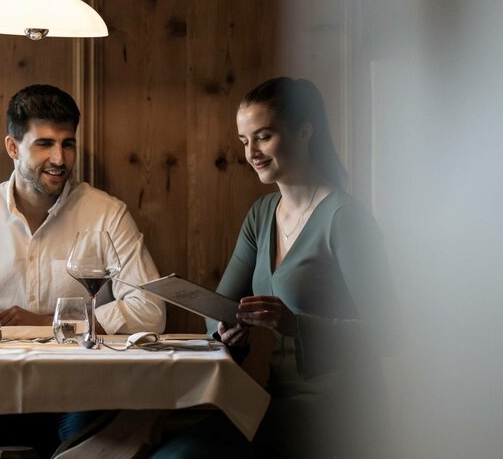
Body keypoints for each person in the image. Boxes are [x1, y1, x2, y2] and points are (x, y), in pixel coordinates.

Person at [0, 83, 166, 455]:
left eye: (68, 143)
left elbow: (150, 310)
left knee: (121, 428)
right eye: (44, 143)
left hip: (79, 394)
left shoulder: (107, 214)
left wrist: (54, 323)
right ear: (13, 147)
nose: (60, 158)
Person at [152, 77, 393, 459]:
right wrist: (229, 332)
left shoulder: (345, 217)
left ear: (304, 131)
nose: (251, 153)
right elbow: (220, 311)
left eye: (263, 137)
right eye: (245, 141)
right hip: (273, 402)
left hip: (343, 412)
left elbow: (390, 334)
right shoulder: (261, 214)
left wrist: (296, 324)